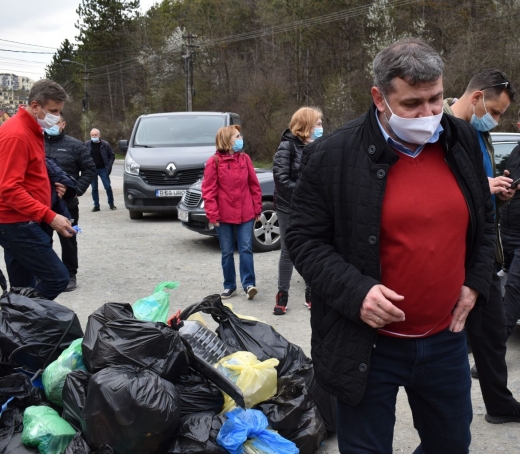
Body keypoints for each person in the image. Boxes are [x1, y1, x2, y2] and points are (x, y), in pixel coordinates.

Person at [285, 38, 496, 453]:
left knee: (451, 445)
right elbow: (303, 240)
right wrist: (357, 291)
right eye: (412, 104)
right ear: (379, 97)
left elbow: (485, 221)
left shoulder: (462, 141)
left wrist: (476, 280)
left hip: (445, 339)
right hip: (367, 345)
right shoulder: (332, 155)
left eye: (436, 98)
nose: (429, 114)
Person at [443, 70, 520, 424]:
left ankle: (500, 406)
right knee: (447, 342)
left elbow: (482, 199)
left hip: (484, 252)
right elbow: (434, 197)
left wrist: (498, 195)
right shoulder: (437, 129)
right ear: (476, 99)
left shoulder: (481, 134)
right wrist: (479, 187)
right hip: (449, 257)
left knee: (490, 336)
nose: (497, 119)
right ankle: (444, 422)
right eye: (496, 111)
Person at [0, 79, 75, 300]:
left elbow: (28, 174)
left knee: (23, 287)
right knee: (57, 278)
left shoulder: (32, 130)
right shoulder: (17, 135)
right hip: (16, 222)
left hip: (24, 219)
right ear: (35, 106)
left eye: (59, 111)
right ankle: (17, 317)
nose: (56, 116)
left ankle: (20, 326)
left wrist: (50, 189)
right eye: (53, 110)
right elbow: (8, 188)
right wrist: (50, 216)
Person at [201, 125, 262, 300]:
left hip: (246, 214)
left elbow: (254, 185)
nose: (240, 138)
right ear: (227, 140)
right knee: (227, 251)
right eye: (237, 136)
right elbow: (209, 191)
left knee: (245, 249)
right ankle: (229, 286)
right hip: (224, 216)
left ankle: (249, 284)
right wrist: (212, 214)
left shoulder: (245, 159)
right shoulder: (214, 162)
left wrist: (257, 208)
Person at [272, 107, 322, 315]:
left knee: (311, 248)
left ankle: (311, 294)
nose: (321, 128)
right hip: (288, 207)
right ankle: (282, 296)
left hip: (313, 207)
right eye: (318, 124)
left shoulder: (321, 146)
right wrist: (304, 193)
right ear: (306, 125)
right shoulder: (287, 146)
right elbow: (281, 179)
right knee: (288, 252)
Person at [44, 113, 96, 291]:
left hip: (67, 204)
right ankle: (45, 273)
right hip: (42, 204)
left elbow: (89, 169)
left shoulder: (75, 145)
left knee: (68, 239)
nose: (51, 125)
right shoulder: (35, 143)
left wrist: (75, 190)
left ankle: (70, 274)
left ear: (63, 124)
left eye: (56, 122)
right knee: (43, 240)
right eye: (48, 122)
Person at [499, 111, 520, 340]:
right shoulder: (515, 151)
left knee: (513, 289)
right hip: (506, 232)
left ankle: (496, 348)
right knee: (494, 286)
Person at [85, 128, 116, 212]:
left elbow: (112, 155)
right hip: (92, 170)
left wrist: (109, 166)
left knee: (108, 186)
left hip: (103, 169)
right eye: (92, 135)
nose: (94, 136)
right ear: (90, 135)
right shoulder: (87, 144)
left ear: (99, 135)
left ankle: (111, 204)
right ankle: (96, 205)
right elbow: (83, 156)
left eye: (96, 135)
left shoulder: (105, 145)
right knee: (94, 188)